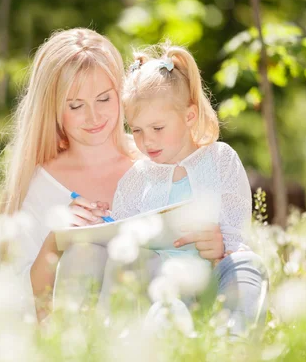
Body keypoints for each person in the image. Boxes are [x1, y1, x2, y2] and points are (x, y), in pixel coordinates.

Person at [0, 28, 233, 322]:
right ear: (54, 108)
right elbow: (22, 304)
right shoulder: (41, 185)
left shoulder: (160, 157)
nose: (94, 117)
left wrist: (216, 246)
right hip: (84, 340)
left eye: (104, 99)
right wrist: (55, 242)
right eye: (76, 106)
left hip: (166, 326)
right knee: (84, 255)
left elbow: (221, 254)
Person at [91, 43, 267, 335]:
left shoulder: (220, 159)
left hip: (214, 278)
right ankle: (162, 335)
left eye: (157, 128)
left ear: (189, 116)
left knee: (249, 265)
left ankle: (233, 342)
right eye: (136, 130)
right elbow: (125, 246)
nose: (146, 141)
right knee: (149, 286)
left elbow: (236, 233)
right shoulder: (136, 180)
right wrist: (108, 226)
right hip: (160, 286)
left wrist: (220, 246)